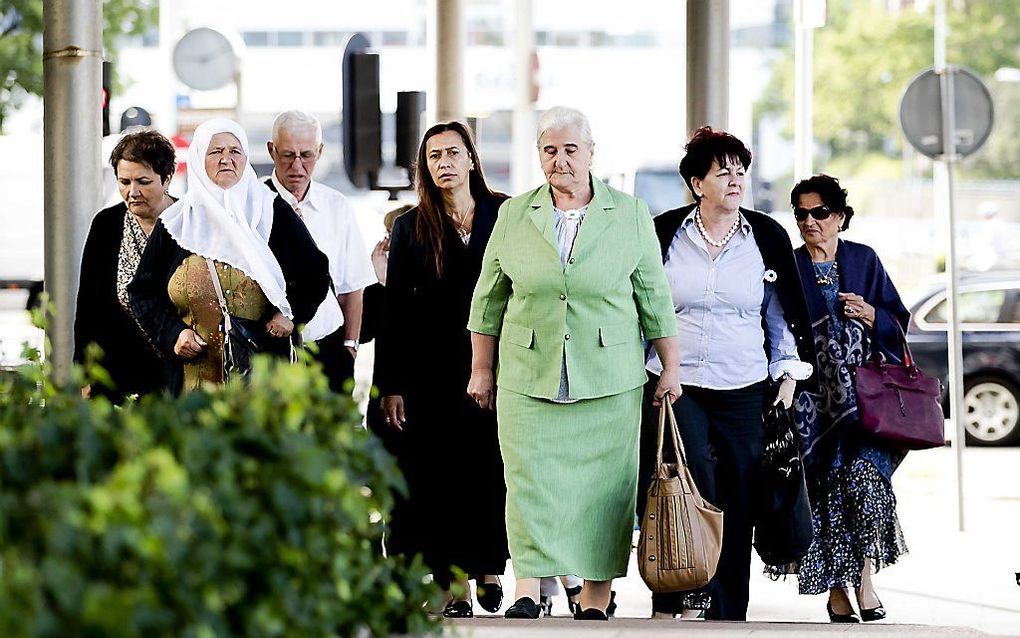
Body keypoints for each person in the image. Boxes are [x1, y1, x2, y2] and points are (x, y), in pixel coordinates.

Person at [467, 106, 680, 621]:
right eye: (549, 150)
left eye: (569, 150)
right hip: (527, 373)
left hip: (608, 377)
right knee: (528, 482)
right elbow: (487, 300)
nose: (559, 160)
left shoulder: (629, 213)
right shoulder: (515, 214)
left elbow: (654, 297)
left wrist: (670, 367)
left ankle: (595, 595)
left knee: (604, 489)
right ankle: (527, 587)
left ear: (590, 153)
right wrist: (481, 369)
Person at [638, 126, 815, 621]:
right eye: (723, 171)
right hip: (677, 381)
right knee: (690, 479)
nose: (735, 180)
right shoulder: (665, 232)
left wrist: (786, 373)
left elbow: (780, 313)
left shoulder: (765, 236)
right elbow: (644, 304)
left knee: (740, 491)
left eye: (740, 171)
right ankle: (678, 587)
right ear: (697, 183)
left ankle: (728, 606)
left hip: (744, 383)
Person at [374, 121, 509, 618]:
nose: (444, 163)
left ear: (472, 158)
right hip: (431, 370)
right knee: (443, 478)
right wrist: (391, 386)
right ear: (424, 168)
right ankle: (457, 585)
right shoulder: (411, 226)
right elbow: (394, 316)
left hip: (500, 363)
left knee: (490, 470)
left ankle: (492, 567)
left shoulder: (508, 213)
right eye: (433, 156)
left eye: (453, 153)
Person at [776, 174, 909, 623]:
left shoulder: (864, 260)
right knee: (826, 494)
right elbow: (772, 330)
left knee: (867, 485)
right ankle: (836, 591)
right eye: (800, 213)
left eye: (819, 213)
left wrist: (871, 313)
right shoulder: (789, 267)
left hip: (869, 404)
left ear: (840, 217)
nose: (809, 222)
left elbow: (897, 319)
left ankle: (866, 582)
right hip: (814, 407)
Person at [129, 118, 329, 394]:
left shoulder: (271, 211)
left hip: (263, 381)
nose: (226, 160)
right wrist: (174, 333)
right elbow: (143, 292)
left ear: (245, 158)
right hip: (194, 384)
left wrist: (291, 315)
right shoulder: (177, 222)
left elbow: (316, 272)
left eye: (234, 151)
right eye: (216, 152)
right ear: (200, 158)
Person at [265, 110, 376, 392]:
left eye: (307, 155)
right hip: (269, 350)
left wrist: (350, 348)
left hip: (329, 349)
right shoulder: (253, 204)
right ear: (272, 151)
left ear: (320, 152)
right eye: (288, 155)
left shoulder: (336, 206)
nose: (297, 166)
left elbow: (353, 286)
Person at [74, 129, 177, 402]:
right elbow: (88, 306)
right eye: (124, 181)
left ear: (167, 178)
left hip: (176, 374)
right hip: (115, 375)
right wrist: (84, 372)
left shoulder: (188, 222)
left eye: (143, 181)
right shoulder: (106, 225)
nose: (132, 192)